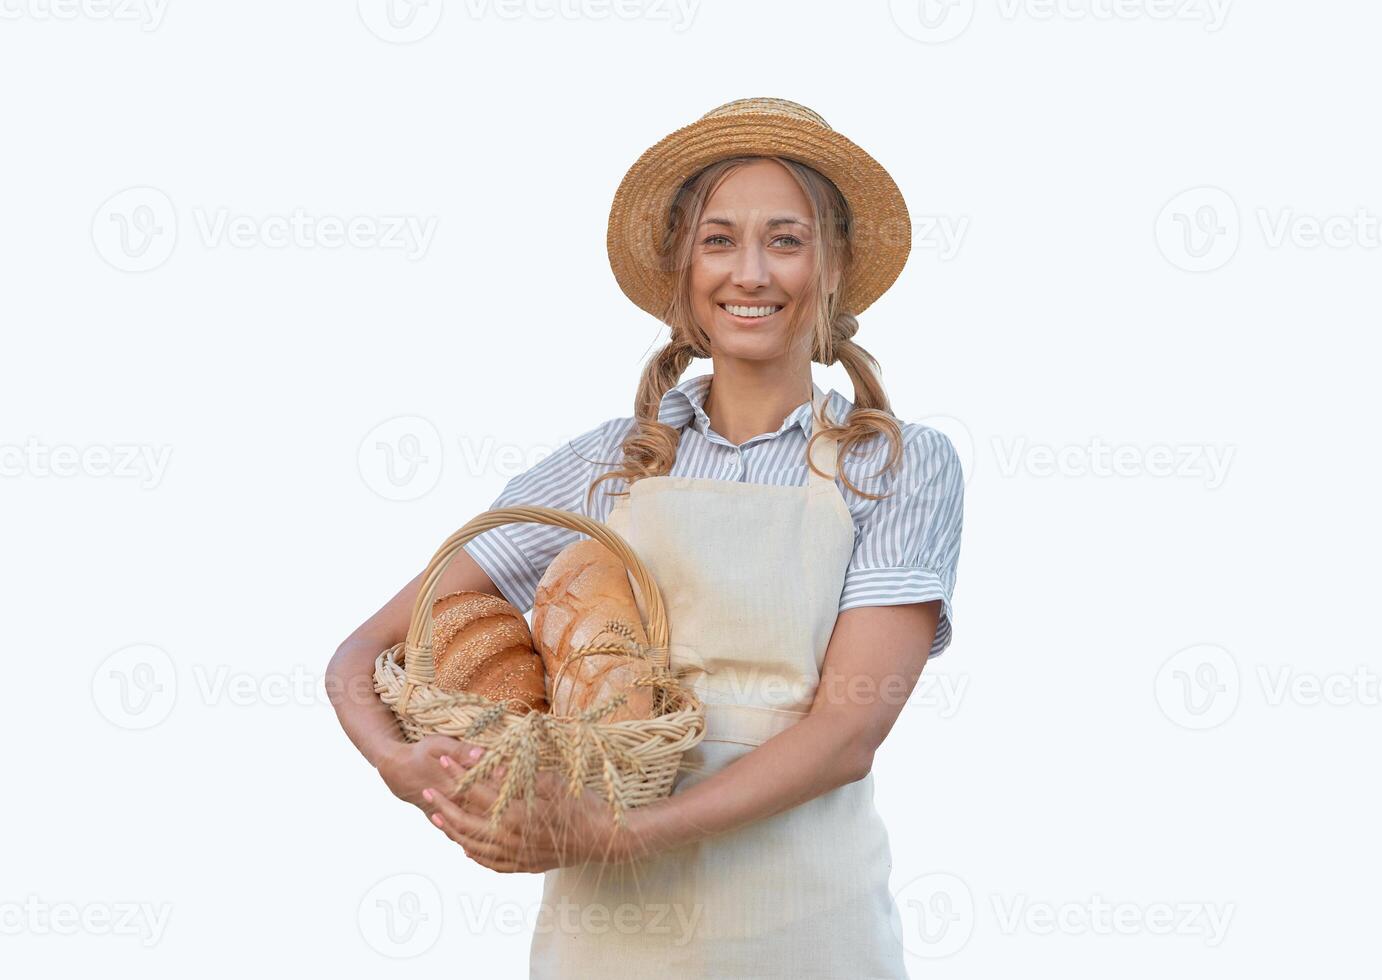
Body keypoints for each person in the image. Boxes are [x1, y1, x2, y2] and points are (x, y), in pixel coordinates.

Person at [327, 97, 964, 979]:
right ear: (681, 269)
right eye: (717, 240)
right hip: (610, 938)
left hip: (806, 925)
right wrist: (400, 763)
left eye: (786, 239)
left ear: (831, 266)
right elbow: (363, 652)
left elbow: (848, 733)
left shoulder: (896, 465)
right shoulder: (606, 464)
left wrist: (614, 833)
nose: (751, 272)